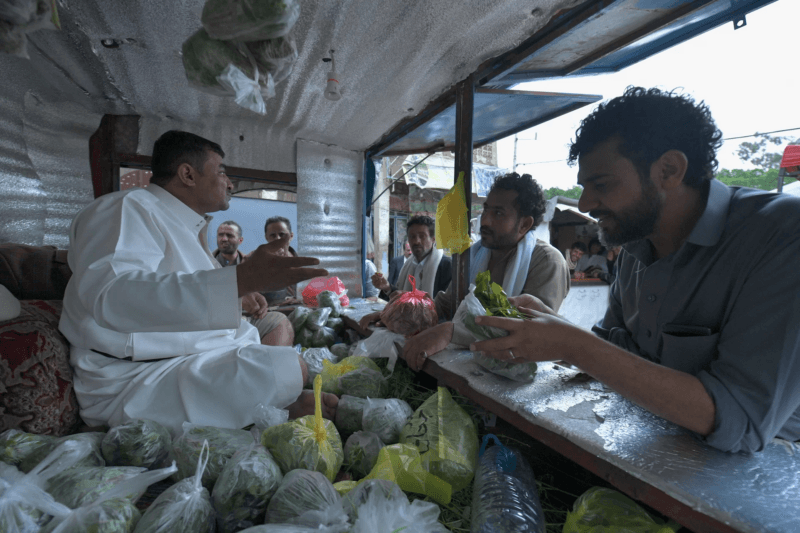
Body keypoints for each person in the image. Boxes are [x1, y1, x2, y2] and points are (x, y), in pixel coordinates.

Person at [470, 87, 800, 454]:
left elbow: (742, 419)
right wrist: (554, 330)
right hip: (654, 457)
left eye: (602, 185)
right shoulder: (634, 245)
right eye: (584, 187)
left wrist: (572, 345)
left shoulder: (781, 237)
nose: (586, 203)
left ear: (669, 170)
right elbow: (616, 354)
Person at [59, 130, 337, 434]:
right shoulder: (127, 208)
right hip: (137, 378)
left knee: (286, 360)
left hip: (184, 358)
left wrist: (238, 292)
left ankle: (274, 404)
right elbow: (112, 297)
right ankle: (273, 407)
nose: (229, 183)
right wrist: (236, 281)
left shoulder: (183, 225)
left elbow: (182, 288)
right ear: (188, 174)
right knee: (285, 368)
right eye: (221, 171)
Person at [402, 173, 570, 368]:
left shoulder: (547, 261)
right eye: (486, 210)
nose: (485, 221)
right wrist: (402, 313)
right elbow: (447, 303)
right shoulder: (475, 254)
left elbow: (529, 334)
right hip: (468, 368)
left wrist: (452, 332)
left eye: (498, 213)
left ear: (524, 224)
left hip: (513, 378)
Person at [212, 219, 294, 344]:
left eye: (229, 235)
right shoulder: (206, 265)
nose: (224, 239)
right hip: (222, 321)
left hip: (259, 316)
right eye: (221, 235)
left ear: (240, 240)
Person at [371, 216, 452, 300]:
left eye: (422, 236)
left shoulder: (447, 266)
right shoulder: (409, 265)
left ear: (433, 239)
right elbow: (402, 299)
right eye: (412, 236)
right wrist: (387, 287)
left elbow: (448, 306)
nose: (416, 241)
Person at [261, 216, 302, 306]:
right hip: (270, 314)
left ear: (291, 236)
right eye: (273, 235)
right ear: (266, 238)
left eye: (282, 234)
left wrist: (300, 299)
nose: (278, 239)